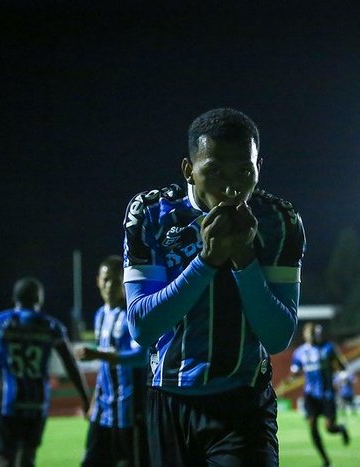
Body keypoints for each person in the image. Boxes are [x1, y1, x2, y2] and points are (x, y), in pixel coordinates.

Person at [123, 108, 306, 466]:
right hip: (170, 400)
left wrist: (243, 260)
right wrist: (206, 262)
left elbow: (278, 335)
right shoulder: (150, 212)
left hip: (243, 404)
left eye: (244, 171)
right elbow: (142, 327)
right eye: (215, 171)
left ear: (259, 167)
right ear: (188, 170)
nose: (232, 186)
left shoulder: (280, 221)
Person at [0, 277, 90, 467]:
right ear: (39, 298)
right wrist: (85, 398)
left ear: (14, 298)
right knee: (28, 457)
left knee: (5, 458)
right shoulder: (52, 326)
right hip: (37, 404)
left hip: (7, 404)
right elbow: (71, 365)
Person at [75, 255, 149, 467]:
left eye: (116, 281)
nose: (109, 286)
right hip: (102, 411)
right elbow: (103, 370)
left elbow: (140, 358)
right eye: (105, 280)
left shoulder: (132, 314)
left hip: (129, 411)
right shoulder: (100, 315)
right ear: (98, 280)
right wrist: (93, 401)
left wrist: (98, 354)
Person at [290, 323, 350, 467]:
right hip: (310, 394)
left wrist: (340, 378)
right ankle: (325, 460)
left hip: (327, 393)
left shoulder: (328, 348)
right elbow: (295, 370)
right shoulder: (299, 352)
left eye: (314, 333)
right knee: (312, 424)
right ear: (304, 335)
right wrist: (292, 376)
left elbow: (342, 367)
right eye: (309, 333)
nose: (312, 336)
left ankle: (341, 429)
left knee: (329, 428)